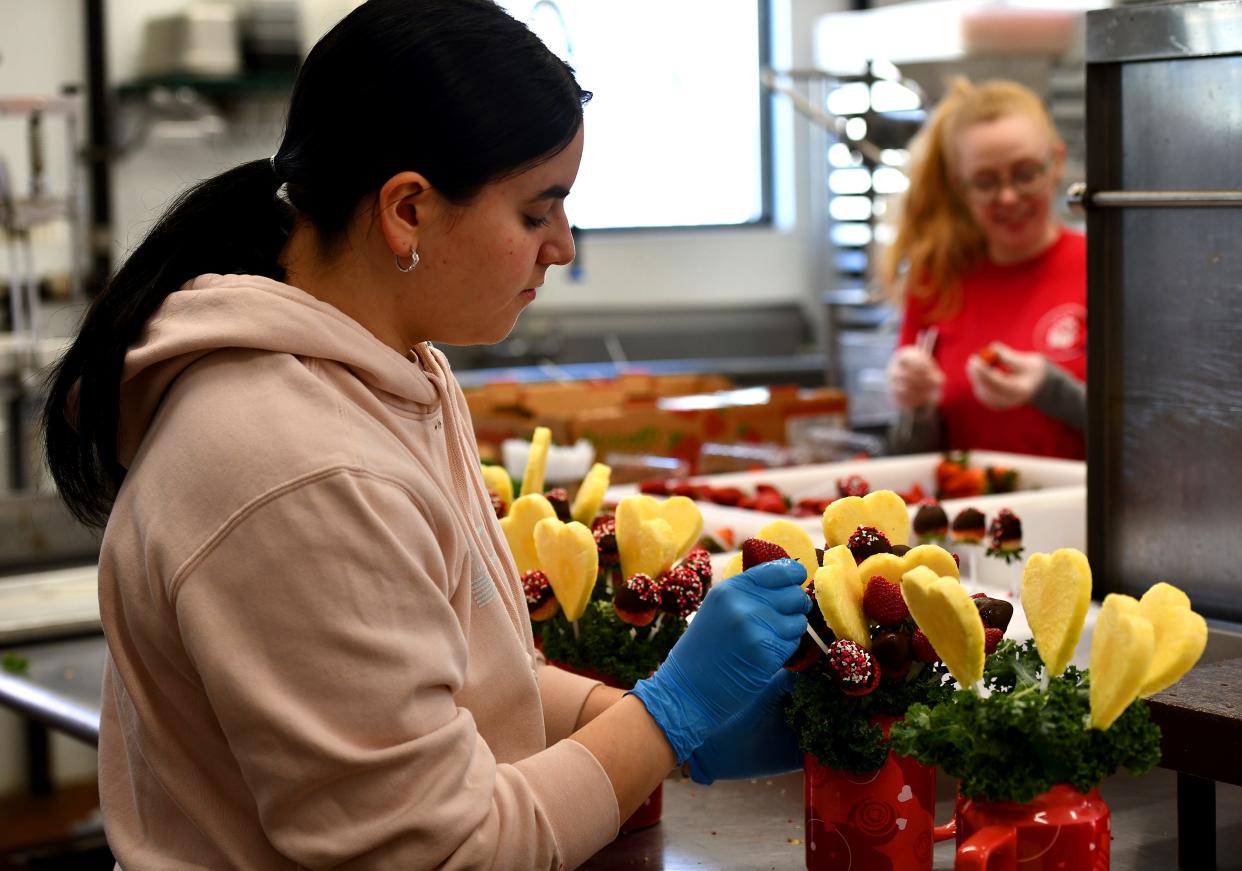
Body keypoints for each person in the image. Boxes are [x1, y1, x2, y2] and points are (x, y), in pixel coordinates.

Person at [42, 2, 810, 868]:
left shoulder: (395, 370)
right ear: (408, 209)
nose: (561, 245)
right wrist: (666, 715)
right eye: (536, 212)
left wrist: (616, 717)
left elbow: (456, 677)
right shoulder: (296, 465)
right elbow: (441, 852)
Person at [882, 78, 1086, 459]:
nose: (1008, 198)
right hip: (968, 512)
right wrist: (916, 410)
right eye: (986, 182)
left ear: (1056, 163)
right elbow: (908, 457)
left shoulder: (1103, 268)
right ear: (961, 189)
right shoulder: (935, 281)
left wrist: (1050, 389)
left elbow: (1148, 435)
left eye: (1026, 174)